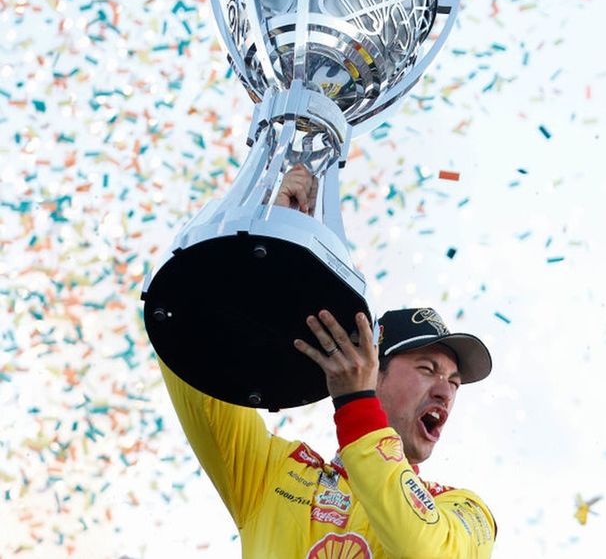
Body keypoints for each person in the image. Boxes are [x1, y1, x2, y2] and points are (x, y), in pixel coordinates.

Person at [158, 167, 496, 558]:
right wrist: (262, 236)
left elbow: (424, 552)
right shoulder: (273, 472)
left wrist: (358, 409)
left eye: (454, 382)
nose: (445, 390)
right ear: (374, 372)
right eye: (427, 369)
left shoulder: (465, 511)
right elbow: (191, 360)